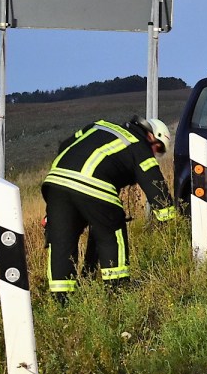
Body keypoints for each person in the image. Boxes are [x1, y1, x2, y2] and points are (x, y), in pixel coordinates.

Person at [42, 116, 176, 298]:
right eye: (158, 148)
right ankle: (117, 289)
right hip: (91, 183)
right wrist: (169, 219)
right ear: (151, 135)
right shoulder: (138, 144)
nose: (156, 153)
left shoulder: (98, 126)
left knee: (61, 241)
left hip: (56, 183)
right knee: (112, 232)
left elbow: (65, 145)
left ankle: (62, 299)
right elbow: (154, 182)